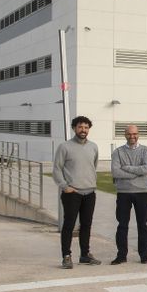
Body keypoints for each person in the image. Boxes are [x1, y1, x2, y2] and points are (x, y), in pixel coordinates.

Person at [53, 115, 100, 269]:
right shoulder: (64, 147)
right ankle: (66, 256)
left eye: (86, 127)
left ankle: (85, 255)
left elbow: (93, 166)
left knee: (86, 225)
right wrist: (64, 186)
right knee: (69, 225)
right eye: (80, 127)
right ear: (74, 128)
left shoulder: (93, 146)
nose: (83, 130)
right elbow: (57, 169)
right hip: (72, 193)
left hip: (89, 193)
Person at [110, 124, 147, 265]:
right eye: (129, 134)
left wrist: (126, 168)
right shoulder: (117, 152)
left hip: (141, 193)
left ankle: (144, 255)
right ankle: (121, 255)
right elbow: (116, 172)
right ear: (125, 135)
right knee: (122, 225)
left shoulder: (146, 151)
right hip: (123, 193)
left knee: (142, 225)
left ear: (138, 134)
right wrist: (136, 173)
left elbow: (145, 169)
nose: (132, 136)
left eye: (134, 134)